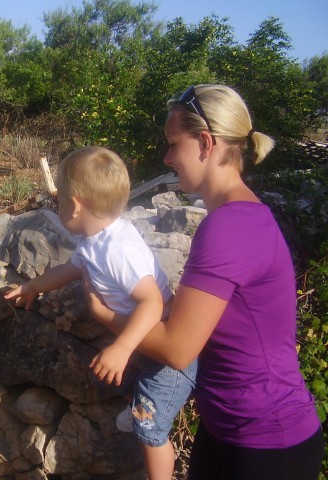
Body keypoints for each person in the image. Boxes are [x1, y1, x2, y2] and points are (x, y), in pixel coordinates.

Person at [84, 84, 324, 480]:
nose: (167, 157)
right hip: (229, 432)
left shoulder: (228, 227)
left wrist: (104, 313)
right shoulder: (241, 217)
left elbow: (177, 349)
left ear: (206, 143)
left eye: (173, 144)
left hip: (268, 445)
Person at [4, 146, 197, 480]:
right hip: (142, 346)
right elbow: (70, 269)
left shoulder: (117, 250)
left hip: (166, 358)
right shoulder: (96, 240)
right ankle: (138, 400)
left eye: (60, 200)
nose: (58, 205)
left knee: (149, 429)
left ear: (75, 205)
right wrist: (33, 287)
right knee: (103, 375)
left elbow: (151, 302)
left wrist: (121, 348)